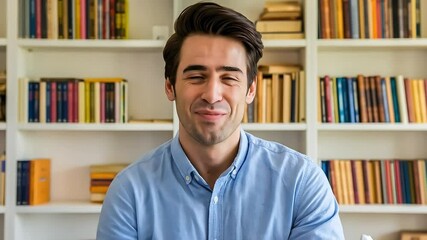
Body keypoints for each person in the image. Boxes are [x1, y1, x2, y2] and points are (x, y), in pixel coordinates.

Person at [97, 2, 345, 239]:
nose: (212, 95)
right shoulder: (129, 191)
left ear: (250, 90)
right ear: (170, 87)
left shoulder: (302, 182)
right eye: (196, 76)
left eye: (229, 78)